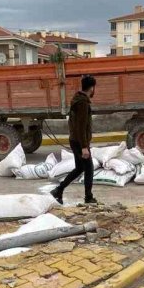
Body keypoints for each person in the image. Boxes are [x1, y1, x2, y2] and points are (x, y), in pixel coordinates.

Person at [51, 75, 97, 205]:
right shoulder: (82, 103)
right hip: (79, 141)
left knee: (80, 168)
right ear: (92, 88)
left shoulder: (78, 99)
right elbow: (81, 126)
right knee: (89, 169)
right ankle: (88, 197)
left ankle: (58, 190)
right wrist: (84, 147)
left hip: (75, 140)